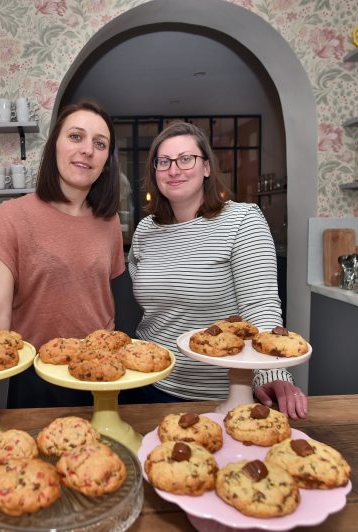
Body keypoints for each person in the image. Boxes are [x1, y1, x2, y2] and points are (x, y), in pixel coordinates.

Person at [0, 99, 125, 443]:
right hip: (38, 376)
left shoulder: (108, 221)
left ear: (106, 162)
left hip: (101, 377)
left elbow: (103, 301)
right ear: (54, 144)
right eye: (76, 136)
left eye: (100, 144)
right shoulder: (12, 216)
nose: (87, 151)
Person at [127, 122, 308, 419]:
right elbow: (154, 305)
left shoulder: (242, 220)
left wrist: (271, 372)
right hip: (146, 384)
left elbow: (260, 306)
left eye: (186, 159)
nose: (174, 169)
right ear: (154, 172)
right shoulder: (145, 230)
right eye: (163, 162)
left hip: (218, 395)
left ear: (207, 167)